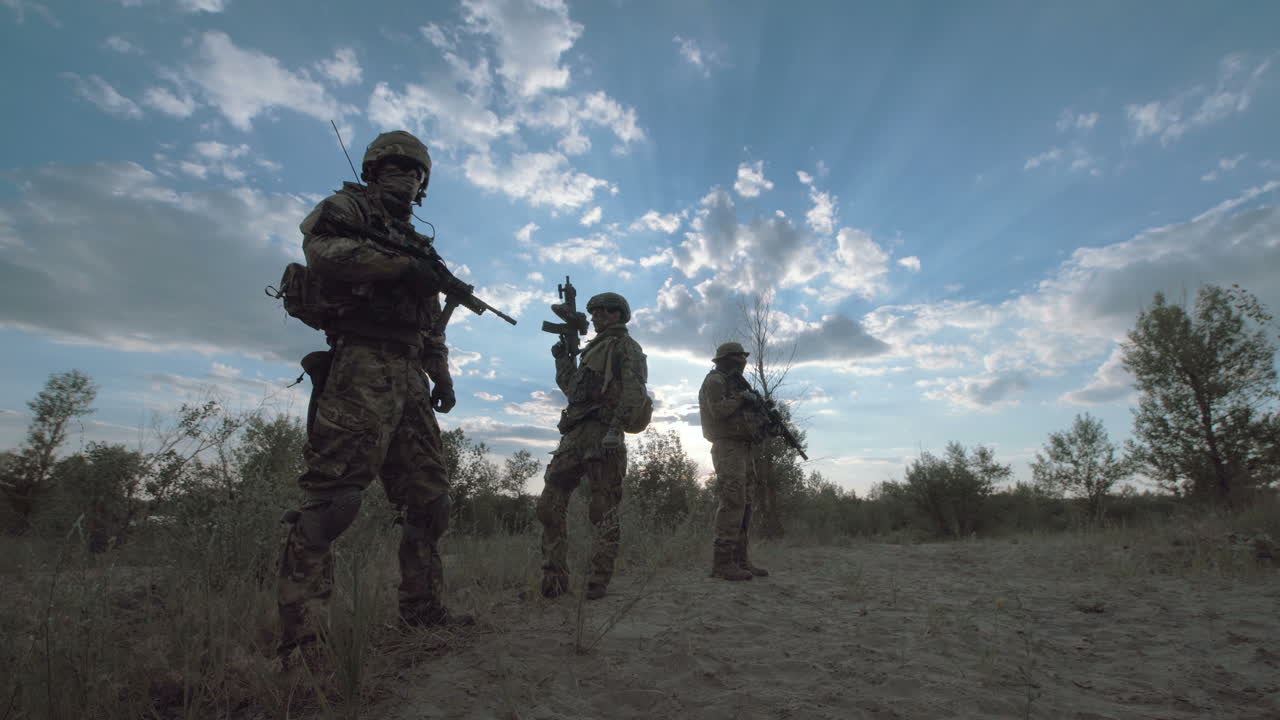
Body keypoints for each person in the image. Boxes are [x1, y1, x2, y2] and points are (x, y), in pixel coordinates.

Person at [276, 130, 472, 664]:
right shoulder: (346, 209)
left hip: (409, 373)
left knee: (429, 500)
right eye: (395, 168)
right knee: (333, 502)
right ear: (374, 170)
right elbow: (323, 253)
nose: (405, 178)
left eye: (415, 172)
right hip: (359, 362)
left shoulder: (419, 243)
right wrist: (402, 267)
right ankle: (303, 638)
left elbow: (431, 325)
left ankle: (422, 611)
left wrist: (442, 376)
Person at [537, 292, 649, 601]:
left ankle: (598, 580)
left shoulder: (626, 347)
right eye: (594, 312)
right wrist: (563, 358)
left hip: (604, 433)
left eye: (602, 311)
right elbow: (573, 389)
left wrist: (616, 428)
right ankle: (554, 579)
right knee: (549, 505)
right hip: (575, 434)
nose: (596, 316)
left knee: (603, 510)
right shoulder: (592, 352)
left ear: (617, 314)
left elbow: (634, 391)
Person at [698, 342, 771, 581]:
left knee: (746, 502)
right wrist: (742, 398)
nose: (743, 362)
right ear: (727, 359)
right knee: (733, 500)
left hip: (742, 448)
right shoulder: (715, 381)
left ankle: (740, 560)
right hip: (727, 447)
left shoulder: (734, 382)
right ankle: (722, 563)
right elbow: (718, 411)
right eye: (739, 358)